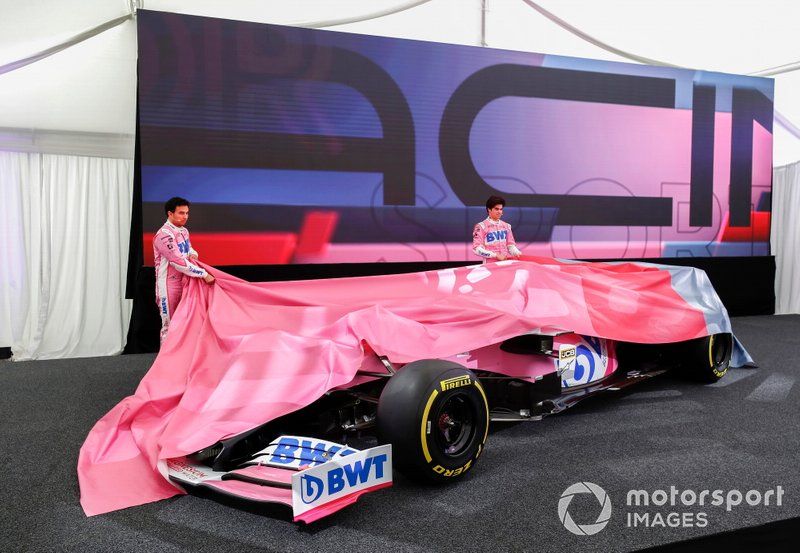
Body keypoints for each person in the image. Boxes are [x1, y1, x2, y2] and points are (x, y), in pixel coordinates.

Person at [154, 197, 215, 343]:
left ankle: (181, 361)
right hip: (168, 286)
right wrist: (204, 274)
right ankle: (166, 364)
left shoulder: (184, 231)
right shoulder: (163, 234)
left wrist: (194, 253)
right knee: (169, 326)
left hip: (185, 282)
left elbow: (188, 249)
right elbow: (177, 261)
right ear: (170, 213)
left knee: (185, 324)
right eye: (181, 213)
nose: (185, 216)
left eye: (187, 213)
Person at [472, 195, 522, 261]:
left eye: (501, 209)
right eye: (496, 209)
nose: (499, 212)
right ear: (489, 209)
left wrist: (518, 253)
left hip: (505, 264)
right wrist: (495, 255)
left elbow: (510, 246)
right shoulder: (481, 226)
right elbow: (476, 249)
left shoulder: (506, 226)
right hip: (490, 266)